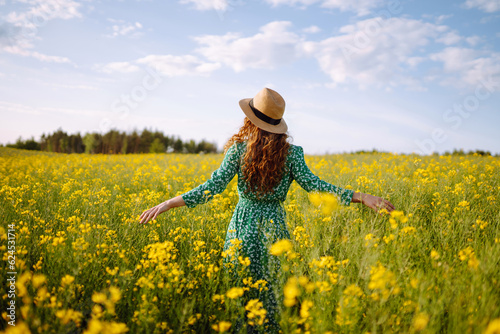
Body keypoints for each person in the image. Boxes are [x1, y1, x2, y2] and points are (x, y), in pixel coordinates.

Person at [139, 87, 395, 332]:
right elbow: (316, 186)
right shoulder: (292, 154)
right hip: (274, 233)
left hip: (241, 230)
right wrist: (360, 197)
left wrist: (168, 203)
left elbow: (212, 187)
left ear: (250, 120)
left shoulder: (237, 151)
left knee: (241, 300)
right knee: (270, 300)